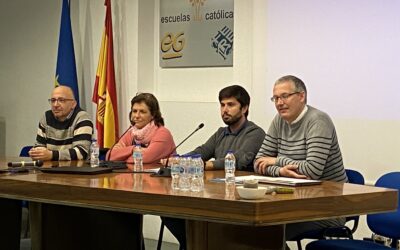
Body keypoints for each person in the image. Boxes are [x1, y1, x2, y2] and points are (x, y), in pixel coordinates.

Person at [163, 85, 266, 249]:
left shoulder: (255, 133)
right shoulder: (221, 133)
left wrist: (206, 165)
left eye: (230, 105)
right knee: (171, 214)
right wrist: (179, 160)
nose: (225, 110)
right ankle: (191, 243)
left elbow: (239, 160)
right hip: (216, 192)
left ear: (244, 108)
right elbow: (202, 151)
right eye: (222, 105)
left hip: (239, 198)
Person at [254, 75, 348, 245]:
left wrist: (276, 161)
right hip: (291, 203)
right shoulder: (279, 120)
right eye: (275, 98)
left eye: (284, 96)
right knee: (253, 228)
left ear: (301, 96)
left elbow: (312, 171)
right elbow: (259, 162)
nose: (279, 103)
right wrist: (281, 171)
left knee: (267, 230)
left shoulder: (318, 121)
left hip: (327, 208)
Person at [106, 93, 175, 163]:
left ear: (153, 115)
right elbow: (110, 155)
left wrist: (122, 155)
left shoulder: (163, 134)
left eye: (142, 112)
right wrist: (132, 149)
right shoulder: (131, 132)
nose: (137, 115)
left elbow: (145, 158)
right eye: (134, 111)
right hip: (132, 173)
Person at [29, 86, 93, 161]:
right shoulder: (46, 117)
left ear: (73, 104)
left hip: (77, 169)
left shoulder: (82, 117)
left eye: (61, 100)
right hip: (51, 168)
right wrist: (36, 152)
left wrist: (51, 155)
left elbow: (81, 153)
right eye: (53, 100)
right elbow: (39, 146)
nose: (55, 105)